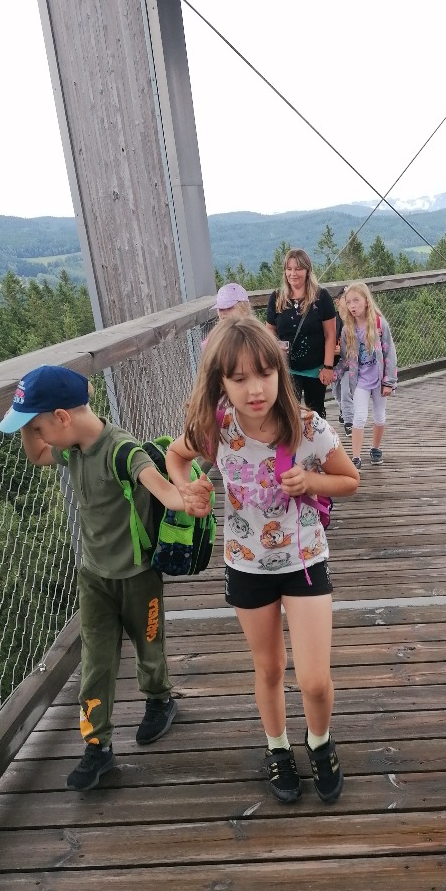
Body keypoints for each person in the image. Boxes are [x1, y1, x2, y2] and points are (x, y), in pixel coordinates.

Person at [166, 317, 359, 805]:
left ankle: (320, 741)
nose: (255, 389)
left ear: (280, 372)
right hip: (246, 565)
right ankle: (278, 747)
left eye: (265, 374)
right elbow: (175, 455)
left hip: (304, 560)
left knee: (314, 679)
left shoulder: (309, 427)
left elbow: (349, 480)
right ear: (220, 383)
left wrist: (312, 481)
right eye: (238, 378)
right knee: (269, 667)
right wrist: (187, 491)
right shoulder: (215, 430)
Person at [0, 365, 210, 791]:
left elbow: (162, 489)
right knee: (95, 660)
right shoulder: (72, 447)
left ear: (62, 417)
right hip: (93, 576)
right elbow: (37, 455)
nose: (37, 437)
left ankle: (160, 699)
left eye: (38, 427)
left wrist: (186, 497)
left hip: (137, 575)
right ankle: (97, 745)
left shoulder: (121, 450)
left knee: (148, 644)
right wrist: (23, 419)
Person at [265, 248, 336, 418]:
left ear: (307, 270)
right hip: (287, 369)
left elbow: (330, 334)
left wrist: (328, 367)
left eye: (298, 269)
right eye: (289, 269)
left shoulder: (321, 297)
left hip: (316, 369)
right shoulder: (277, 297)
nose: (293, 274)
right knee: (288, 414)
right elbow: (270, 330)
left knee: (316, 414)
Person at [335, 281, 398, 470]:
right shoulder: (347, 330)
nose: (352, 306)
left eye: (356, 300)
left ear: (366, 301)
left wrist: (389, 382)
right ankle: (356, 457)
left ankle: (375, 448)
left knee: (379, 416)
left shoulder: (379, 324)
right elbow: (346, 359)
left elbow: (389, 354)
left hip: (378, 379)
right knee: (359, 417)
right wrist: (334, 373)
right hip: (360, 379)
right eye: (349, 302)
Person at [202, 282, 253, 348]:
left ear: (245, 309)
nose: (224, 313)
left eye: (229, 308)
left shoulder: (254, 337)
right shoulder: (213, 341)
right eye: (221, 309)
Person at [332, 286, 353, 436]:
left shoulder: (354, 321)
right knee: (337, 391)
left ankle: (349, 422)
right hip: (333, 363)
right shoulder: (331, 321)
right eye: (346, 299)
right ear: (338, 302)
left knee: (346, 391)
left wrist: (343, 350)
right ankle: (343, 410)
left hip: (350, 362)